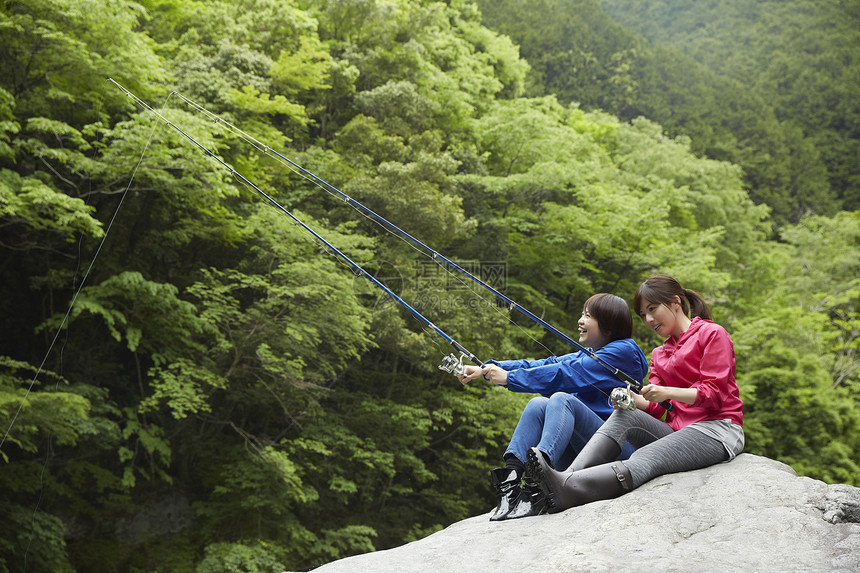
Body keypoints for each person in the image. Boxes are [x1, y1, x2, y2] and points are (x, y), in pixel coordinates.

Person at [526, 275, 744, 513]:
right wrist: (630, 399)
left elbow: (714, 394)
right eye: (643, 315)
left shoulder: (712, 334)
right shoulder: (660, 354)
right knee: (625, 416)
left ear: (675, 303)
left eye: (653, 309)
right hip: (677, 432)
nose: (649, 320)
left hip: (716, 429)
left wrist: (666, 392)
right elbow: (658, 409)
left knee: (647, 454)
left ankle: (569, 487)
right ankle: (564, 480)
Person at [459, 293, 648, 521]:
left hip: (617, 451)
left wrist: (510, 378)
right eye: (582, 314)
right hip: (584, 454)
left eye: (588, 316)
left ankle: (537, 484)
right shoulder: (590, 353)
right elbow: (548, 364)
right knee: (538, 403)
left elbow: (566, 374)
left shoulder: (623, 352)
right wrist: (488, 368)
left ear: (609, 325)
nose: (580, 320)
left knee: (561, 398)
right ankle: (509, 487)